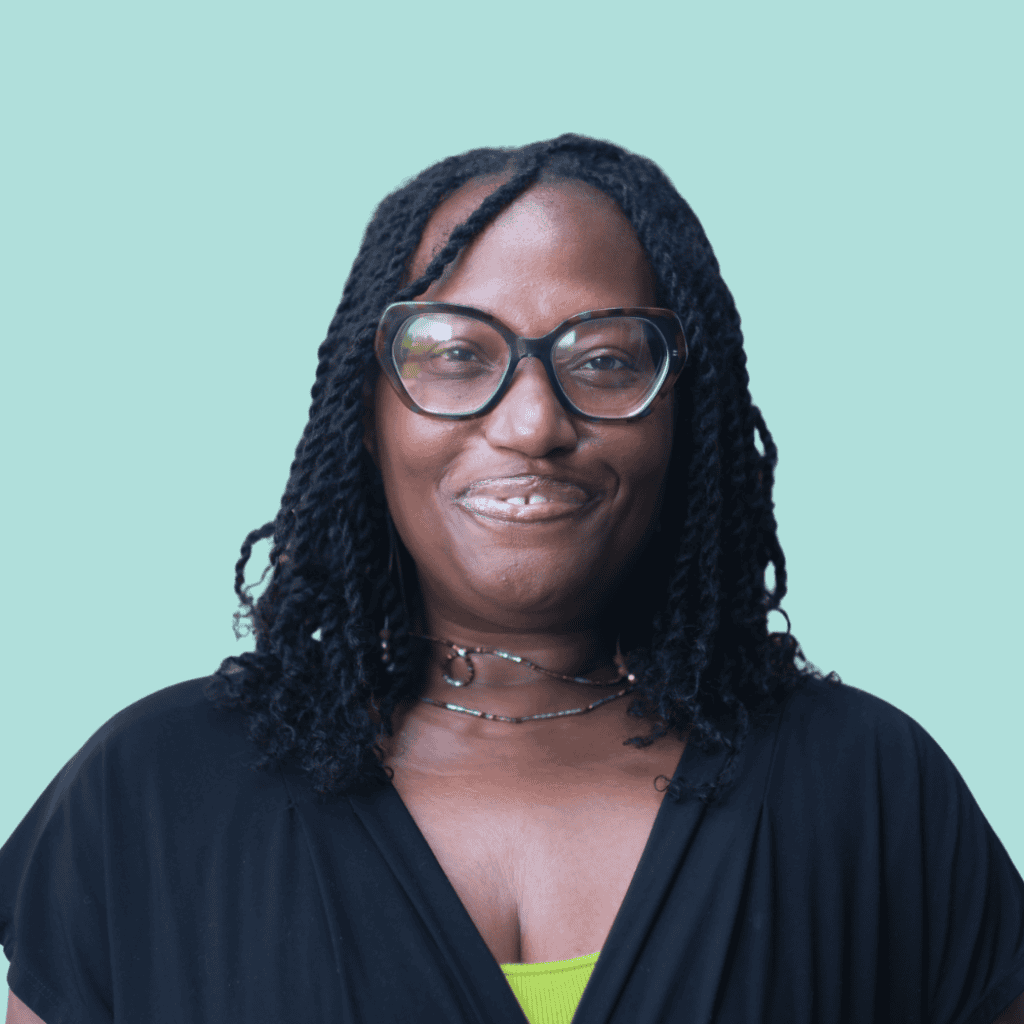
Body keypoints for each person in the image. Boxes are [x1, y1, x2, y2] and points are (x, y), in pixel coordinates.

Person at [2, 134, 1023, 1024]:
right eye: (455, 353)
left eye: (607, 360)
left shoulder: (869, 790)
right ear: (365, 412)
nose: (533, 422)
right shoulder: (151, 793)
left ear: (687, 417)